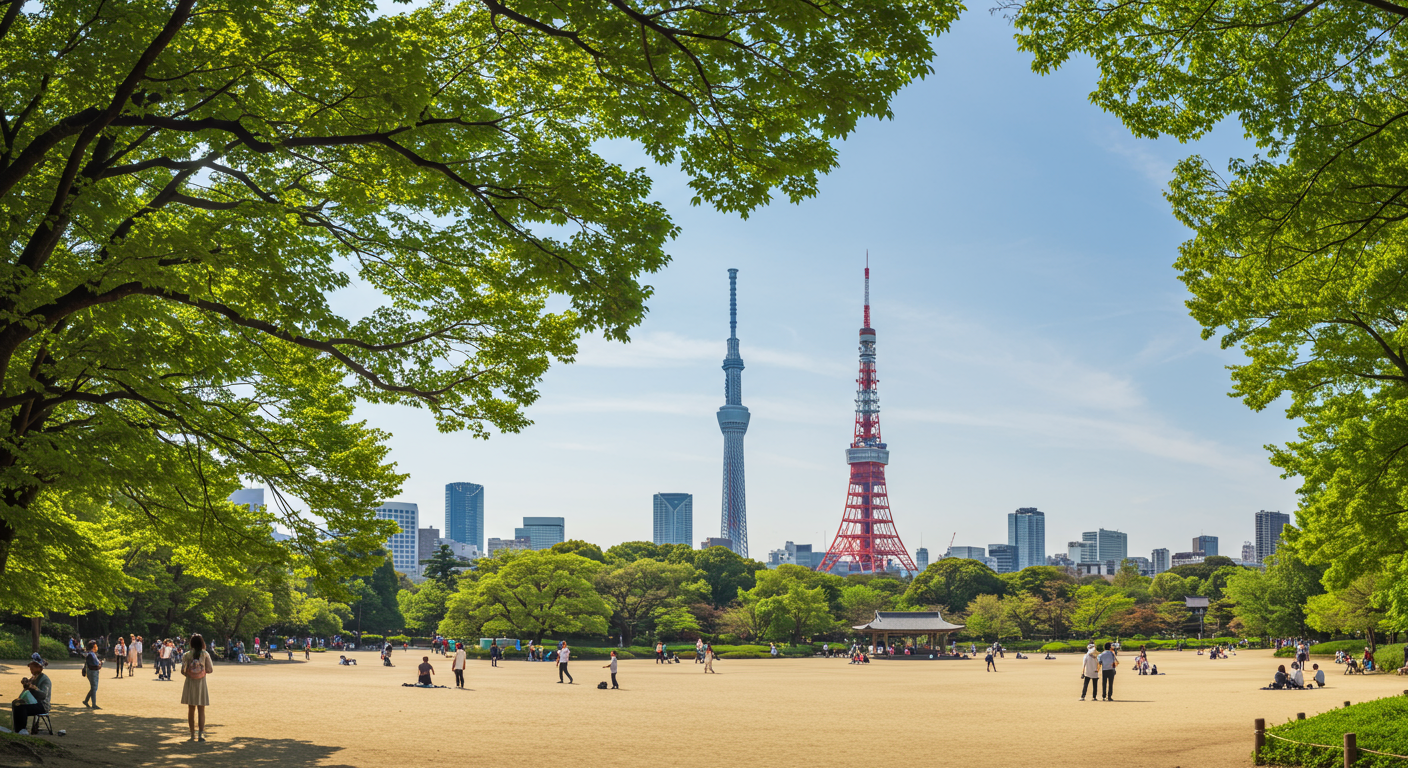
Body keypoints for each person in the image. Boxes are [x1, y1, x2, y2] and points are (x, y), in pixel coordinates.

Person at [180, 633, 213, 742]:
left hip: (190, 683)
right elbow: (210, 669)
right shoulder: (205, 654)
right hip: (201, 683)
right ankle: (201, 734)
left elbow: (183, 670)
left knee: (191, 709)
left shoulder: (187, 655)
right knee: (201, 709)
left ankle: (192, 734)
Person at [11, 660, 51, 735]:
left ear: (39, 668)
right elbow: (27, 687)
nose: (31, 671)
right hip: (34, 702)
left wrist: (33, 688)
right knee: (16, 704)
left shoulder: (45, 680)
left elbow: (43, 695)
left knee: (22, 708)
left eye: (32, 669)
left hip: (42, 705)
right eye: (30, 669)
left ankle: (22, 729)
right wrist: (26, 683)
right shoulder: (34, 678)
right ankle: (17, 729)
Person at [81, 641, 102, 708]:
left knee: (93, 687)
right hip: (93, 672)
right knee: (94, 687)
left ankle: (86, 701)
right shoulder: (91, 654)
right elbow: (96, 664)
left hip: (91, 672)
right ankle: (94, 704)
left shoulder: (90, 654)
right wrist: (100, 663)